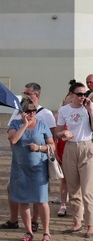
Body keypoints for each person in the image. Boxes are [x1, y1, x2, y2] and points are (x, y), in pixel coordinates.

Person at [1, 82, 56, 234]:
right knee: (23, 201)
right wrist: (24, 125)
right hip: (20, 168)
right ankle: (28, 232)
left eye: (34, 111)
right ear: (22, 111)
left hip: (39, 168)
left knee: (41, 200)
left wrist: (39, 148)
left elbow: (52, 145)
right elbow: (13, 140)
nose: (32, 114)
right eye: (28, 111)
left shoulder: (43, 123)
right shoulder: (15, 123)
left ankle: (45, 231)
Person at [56, 81, 93, 238]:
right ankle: (77, 222)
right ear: (72, 95)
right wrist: (63, 134)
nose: (83, 97)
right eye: (79, 94)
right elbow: (58, 130)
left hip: (87, 147)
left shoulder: (89, 107)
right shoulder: (64, 110)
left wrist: (90, 110)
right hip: (70, 147)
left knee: (88, 190)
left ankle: (91, 225)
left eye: (84, 94)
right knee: (73, 188)